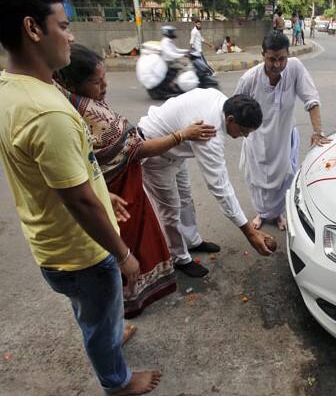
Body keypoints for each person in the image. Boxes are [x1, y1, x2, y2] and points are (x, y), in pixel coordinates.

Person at [0, 0, 160, 394]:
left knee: (92, 311)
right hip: (82, 252)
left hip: (52, 244)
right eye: (63, 25)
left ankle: (108, 333)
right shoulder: (47, 112)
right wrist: (123, 254)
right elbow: (80, 204)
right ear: (32, 29)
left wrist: (98, 187)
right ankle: (117, 382)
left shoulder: (12, 89)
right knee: (97, 313)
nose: (71, 37)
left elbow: (50, 173)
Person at [55, 44, 217, 317]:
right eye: (97, 82)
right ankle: (127, 303)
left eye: (104, 78)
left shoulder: (82, 102)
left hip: (123, 183)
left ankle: (139, 292)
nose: (105, 85)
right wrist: (182, 135)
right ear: (73, 83)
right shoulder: (81, 114)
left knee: (157, 222)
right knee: (130, 243)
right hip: (114, 190)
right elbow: (138, 148)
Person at [139, 89, 275, 277]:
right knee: (170, 210)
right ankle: (179, 257)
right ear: (230, 120)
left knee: (185, 198)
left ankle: (192, 241)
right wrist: (249, 232)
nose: (245, 136)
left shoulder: (222, 100)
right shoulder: (210, 132)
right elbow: (220, 187)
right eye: (244, 131)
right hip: (156, 152)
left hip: (176, 151)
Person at [234, 31, 331, 231]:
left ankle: (277, 213)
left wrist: (318, 131)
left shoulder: (295, 67)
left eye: (281, 59)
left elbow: (311, 99)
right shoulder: (249, 79)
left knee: (284, 179)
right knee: (258, 180)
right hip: (257, 139)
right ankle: (261, 213)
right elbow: (234, 108)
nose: (277, 65)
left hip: (285, 137)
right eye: (272, 59)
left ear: (288, 55)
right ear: (263, 56)